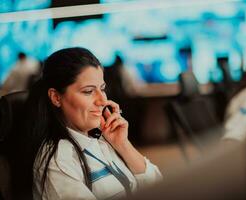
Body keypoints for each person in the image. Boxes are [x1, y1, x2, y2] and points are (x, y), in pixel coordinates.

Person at [22, 47, 162, 200]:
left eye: (102, 89)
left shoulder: (101, 138)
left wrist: (123, 145)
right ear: (56, 97)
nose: (102, 100)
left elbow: (158, 185)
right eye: (88, 91)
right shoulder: (57, 160)